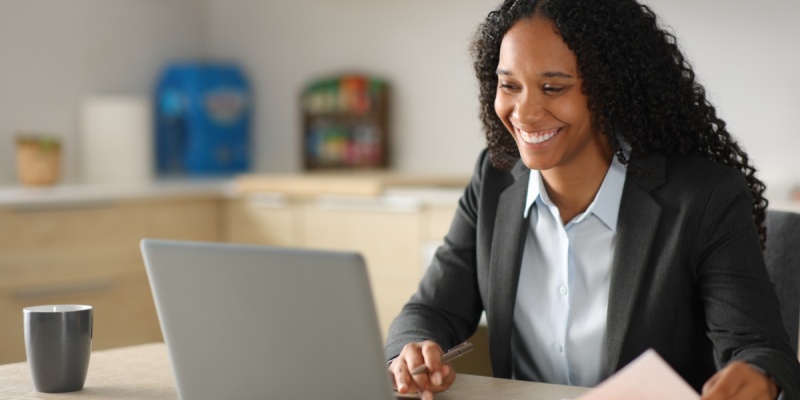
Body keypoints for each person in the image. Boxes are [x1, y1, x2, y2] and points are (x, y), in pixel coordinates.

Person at [384, 0, 800, 399]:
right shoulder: (493, 180)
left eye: (552, 87)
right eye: (509, 85)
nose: (525, 113)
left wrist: (758, 377)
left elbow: (759, 350)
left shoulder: (703, 197)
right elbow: (430, 310)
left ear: (609, 91)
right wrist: (412, 348)